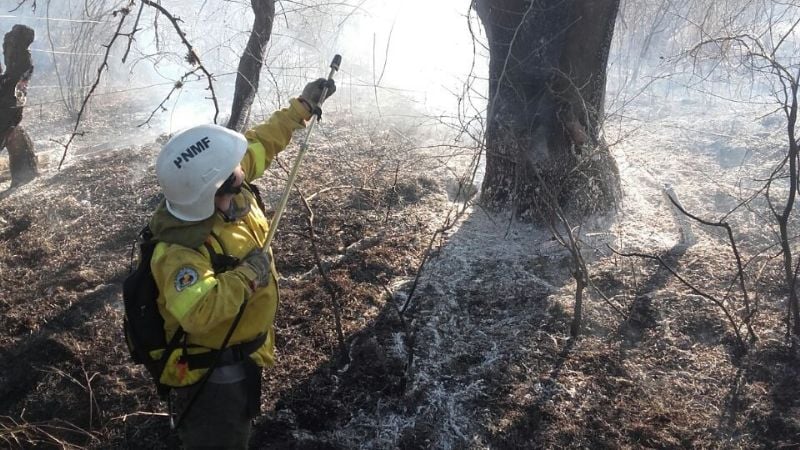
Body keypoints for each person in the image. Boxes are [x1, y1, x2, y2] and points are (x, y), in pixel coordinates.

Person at [148, 78, 335, 449]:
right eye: (234, 172)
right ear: (212, 191)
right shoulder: (179, 250)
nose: (243, 168)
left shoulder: (227, 183)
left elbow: (261, 143)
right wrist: (248, 275)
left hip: (243, 356)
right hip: (214, 377)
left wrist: (301, 107)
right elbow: (199, 311)